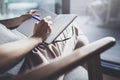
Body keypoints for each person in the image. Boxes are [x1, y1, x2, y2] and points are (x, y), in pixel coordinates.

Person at [0, 10, 88, 80]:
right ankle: (93, 72)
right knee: (71, 26)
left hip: (19, 47)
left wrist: (18, 19)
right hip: (28, 64)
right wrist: (36, 38)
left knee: (79, 41)